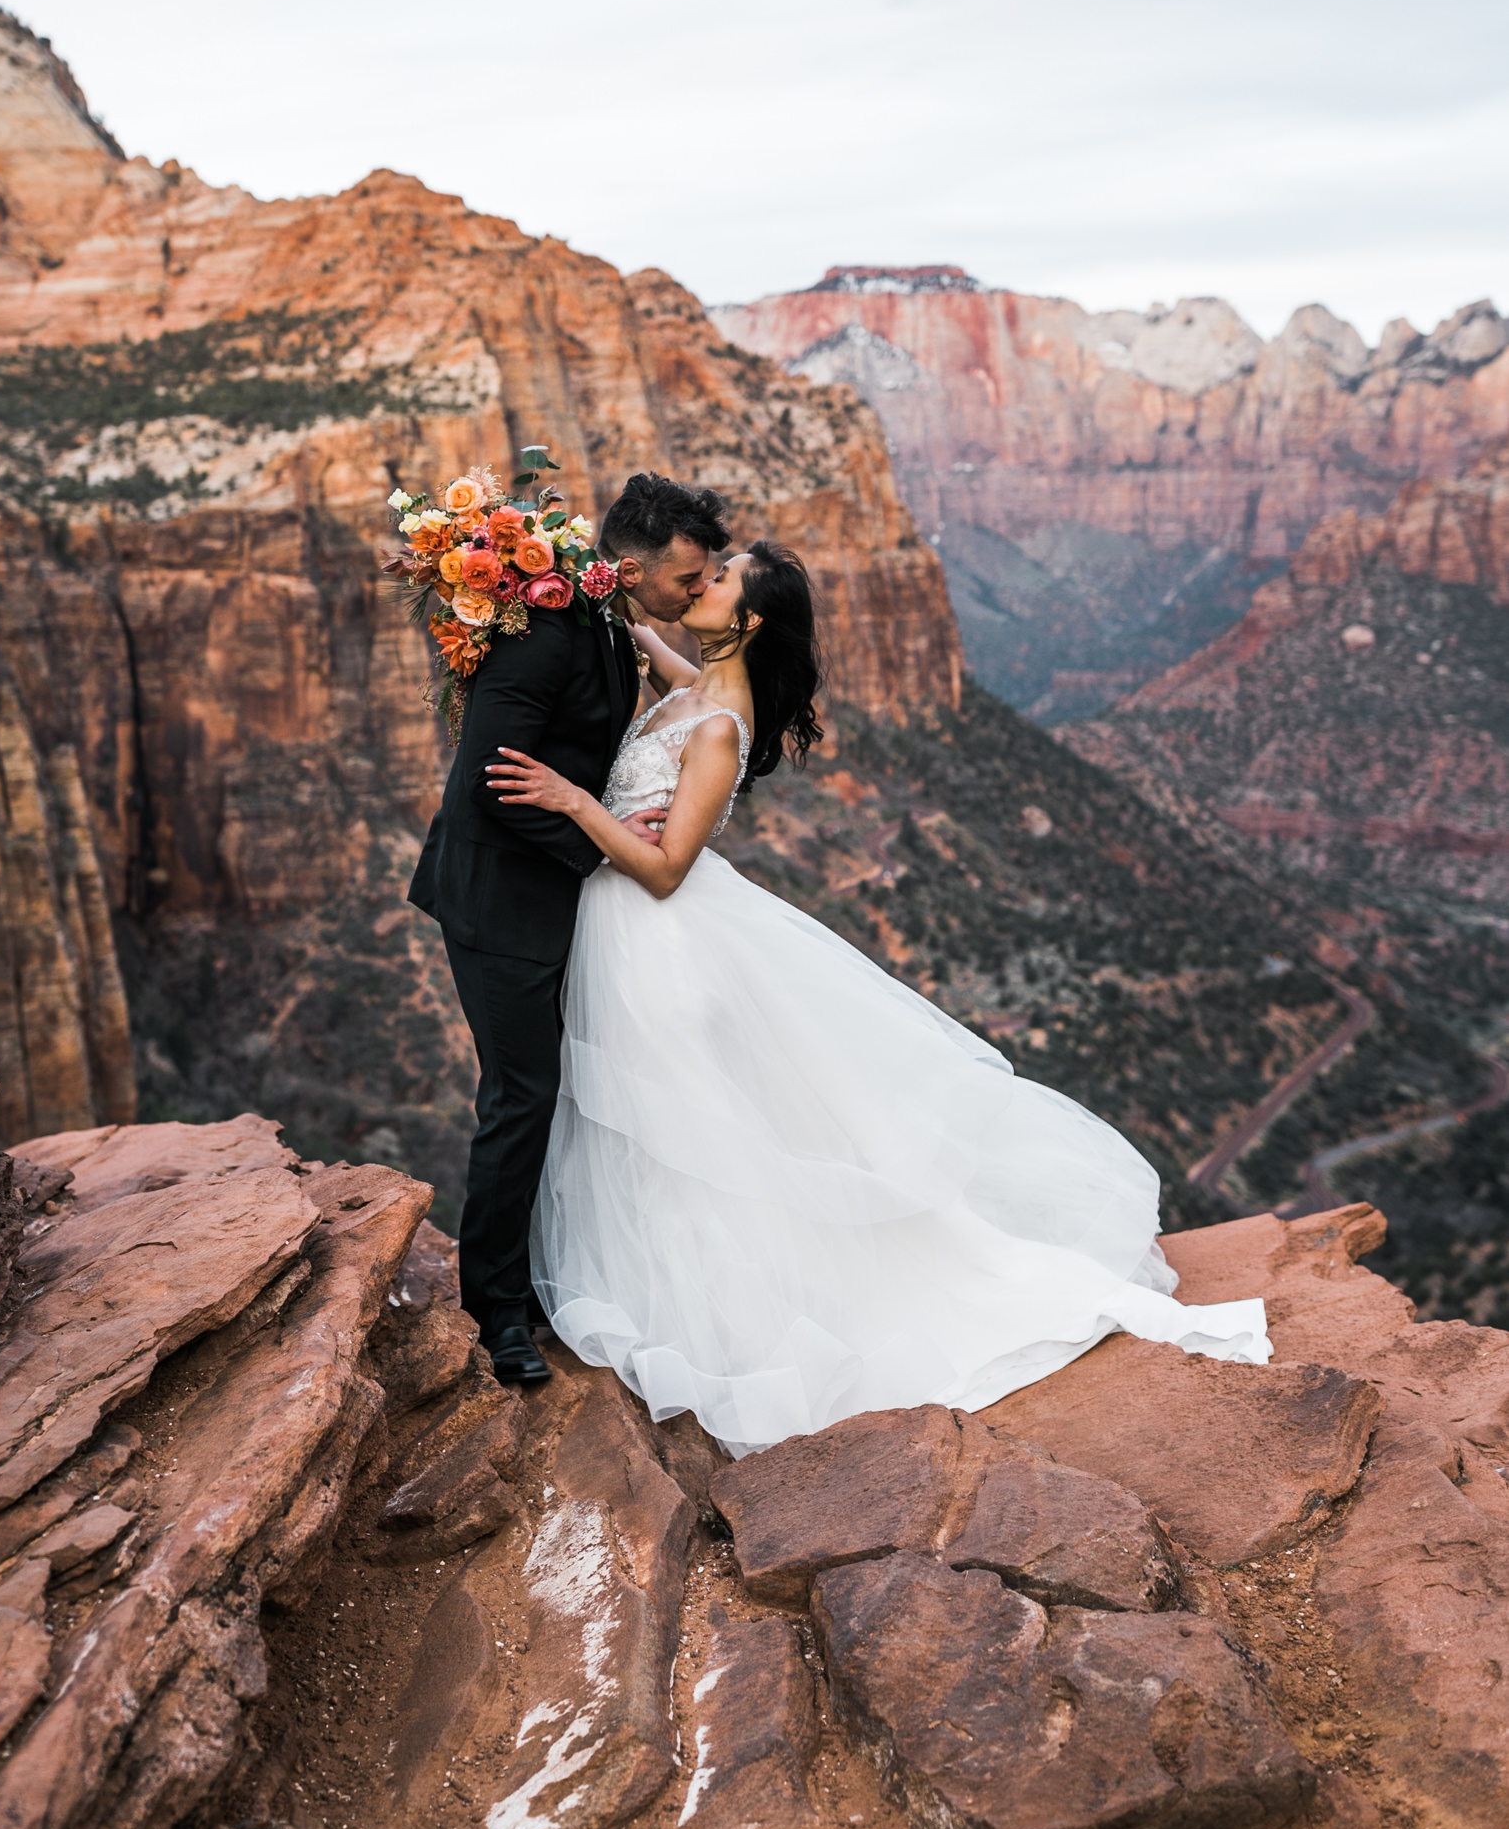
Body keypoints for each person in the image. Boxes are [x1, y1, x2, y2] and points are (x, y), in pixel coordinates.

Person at [485, 540, 1271, 1456]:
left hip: (660, 945)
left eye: (719, 580)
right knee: (664, 1128)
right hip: (626, 940)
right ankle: (680, 1299)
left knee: (686, 1134)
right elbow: (652, 655)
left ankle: (728, 1322)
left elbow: (662, 870)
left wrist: (575, 802)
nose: (699, 585)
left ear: (749, 620)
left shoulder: (717, 724)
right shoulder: (696, 688)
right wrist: (577, 573)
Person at [409, 471, 731, 1385]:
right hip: (500, 899)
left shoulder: (604, 621)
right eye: (684, 579)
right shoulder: (547, 634)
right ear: (629, 568)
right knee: (522, 1095)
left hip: (566, 895)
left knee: (572, 1091)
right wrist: (592, 836)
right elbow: (487, 779)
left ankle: (553, 1277)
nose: (694, 592)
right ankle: (498, 1311)